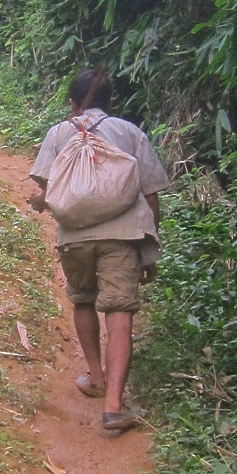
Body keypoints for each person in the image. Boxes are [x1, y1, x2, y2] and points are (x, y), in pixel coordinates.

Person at [28, 68, 170, 435]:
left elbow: (43, 193)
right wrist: (148, 245)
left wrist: (38, 203)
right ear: (112, 103)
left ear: (72, 103)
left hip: (74, 238)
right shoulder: (129, 132)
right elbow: (151, 194)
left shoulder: (59, 133)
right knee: (120, 312)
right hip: (122, 237)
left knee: (83, 301)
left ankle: (95, 377)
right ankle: (113, 409)